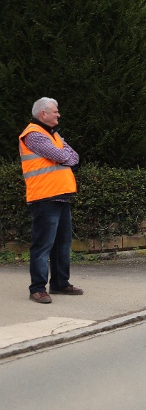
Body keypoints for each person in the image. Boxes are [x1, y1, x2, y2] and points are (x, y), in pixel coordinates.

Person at [19, 97, 83, 304]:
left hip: (61, 196)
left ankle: (60, 283)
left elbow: (74, 156)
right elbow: (60, 155)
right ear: (43, 114)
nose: (58, 115)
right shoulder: (34, 134)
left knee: (62, 244)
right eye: (55, 111)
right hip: (44, 197)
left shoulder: (52, 134)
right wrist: (64, 156)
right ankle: (37, 288)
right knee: (43, 245)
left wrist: (65, 156)